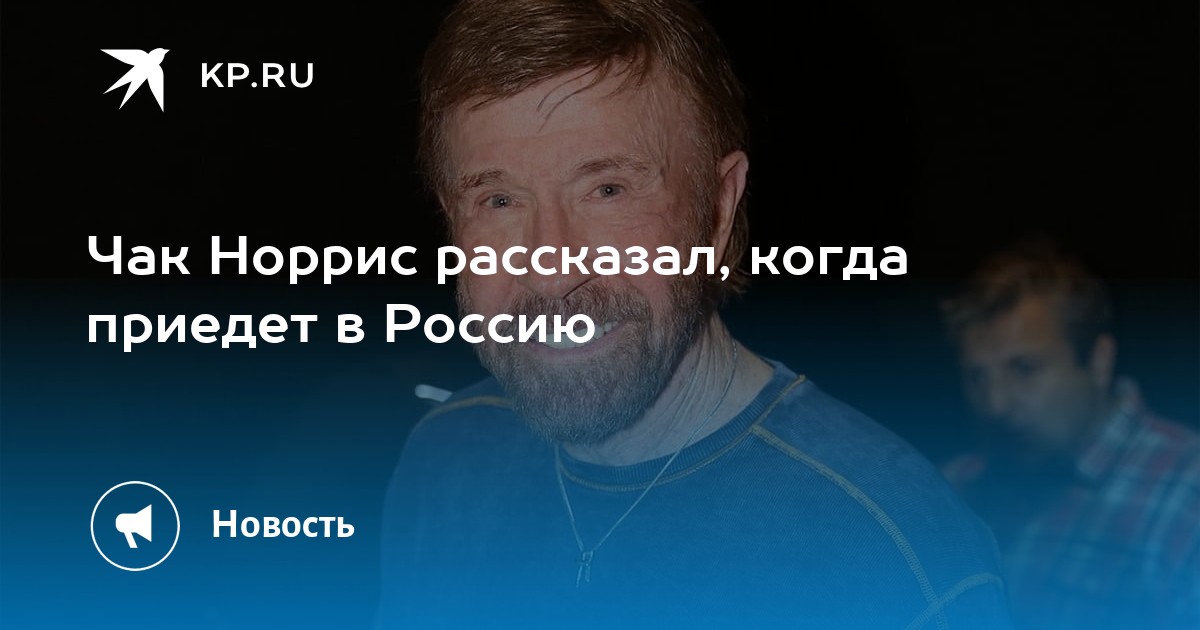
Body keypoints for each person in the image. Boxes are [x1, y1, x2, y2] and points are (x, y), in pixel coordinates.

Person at [378, 0, 1013, 627]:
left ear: (717, 210)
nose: (552, 271)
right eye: (498, 200)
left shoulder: (895, 555)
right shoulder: (446, 456)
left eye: (608, 190)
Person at [941, 242, 1200, 629]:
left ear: (1099, 360)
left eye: (1024, 369)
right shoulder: (954, 489)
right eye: (977, 377)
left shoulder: (1188, 490)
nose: (996, 404)